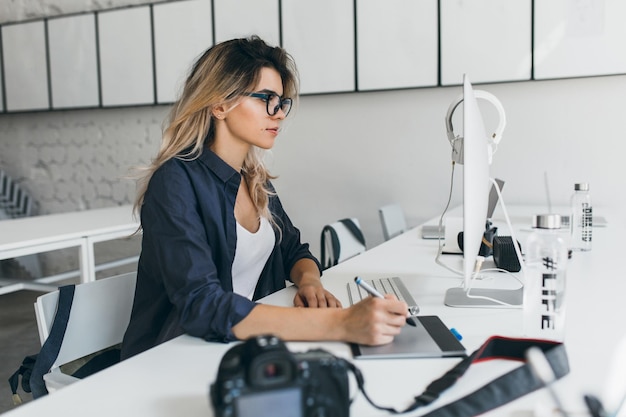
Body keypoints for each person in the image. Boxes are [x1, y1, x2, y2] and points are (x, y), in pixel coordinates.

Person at [120, 36, 409, 360]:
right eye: (266, 99)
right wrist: (338, 323)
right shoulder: (175, 182)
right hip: (175, 355)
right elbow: (202, 305)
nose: (279, 114)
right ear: (219, 104)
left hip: (239, 347)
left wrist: (310, 281)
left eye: (282, 102)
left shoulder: (254, 180)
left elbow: (293, 251)